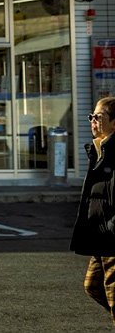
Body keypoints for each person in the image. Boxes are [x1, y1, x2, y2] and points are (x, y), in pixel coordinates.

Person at [71, 96, 115, 324]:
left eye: (99, 117)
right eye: (92, 117)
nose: (93, 121)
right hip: (99, 237)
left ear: (114, 123)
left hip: (112, 238)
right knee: (92, 287)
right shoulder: (98, 150)